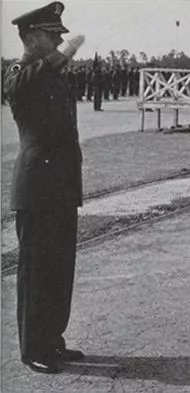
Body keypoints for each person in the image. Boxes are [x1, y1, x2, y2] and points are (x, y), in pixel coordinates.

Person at [3, 1, 86, 374]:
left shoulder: (52, 76)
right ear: (31, 37)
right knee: (36, 270)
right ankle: (33, 347)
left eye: (59, 37)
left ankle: (53, 339)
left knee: (58, 267)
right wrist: (64, 55)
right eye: (51, 36)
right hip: (36, 187)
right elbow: (20, 86)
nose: (57, 42)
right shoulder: (21, 71)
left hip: (61, 186)